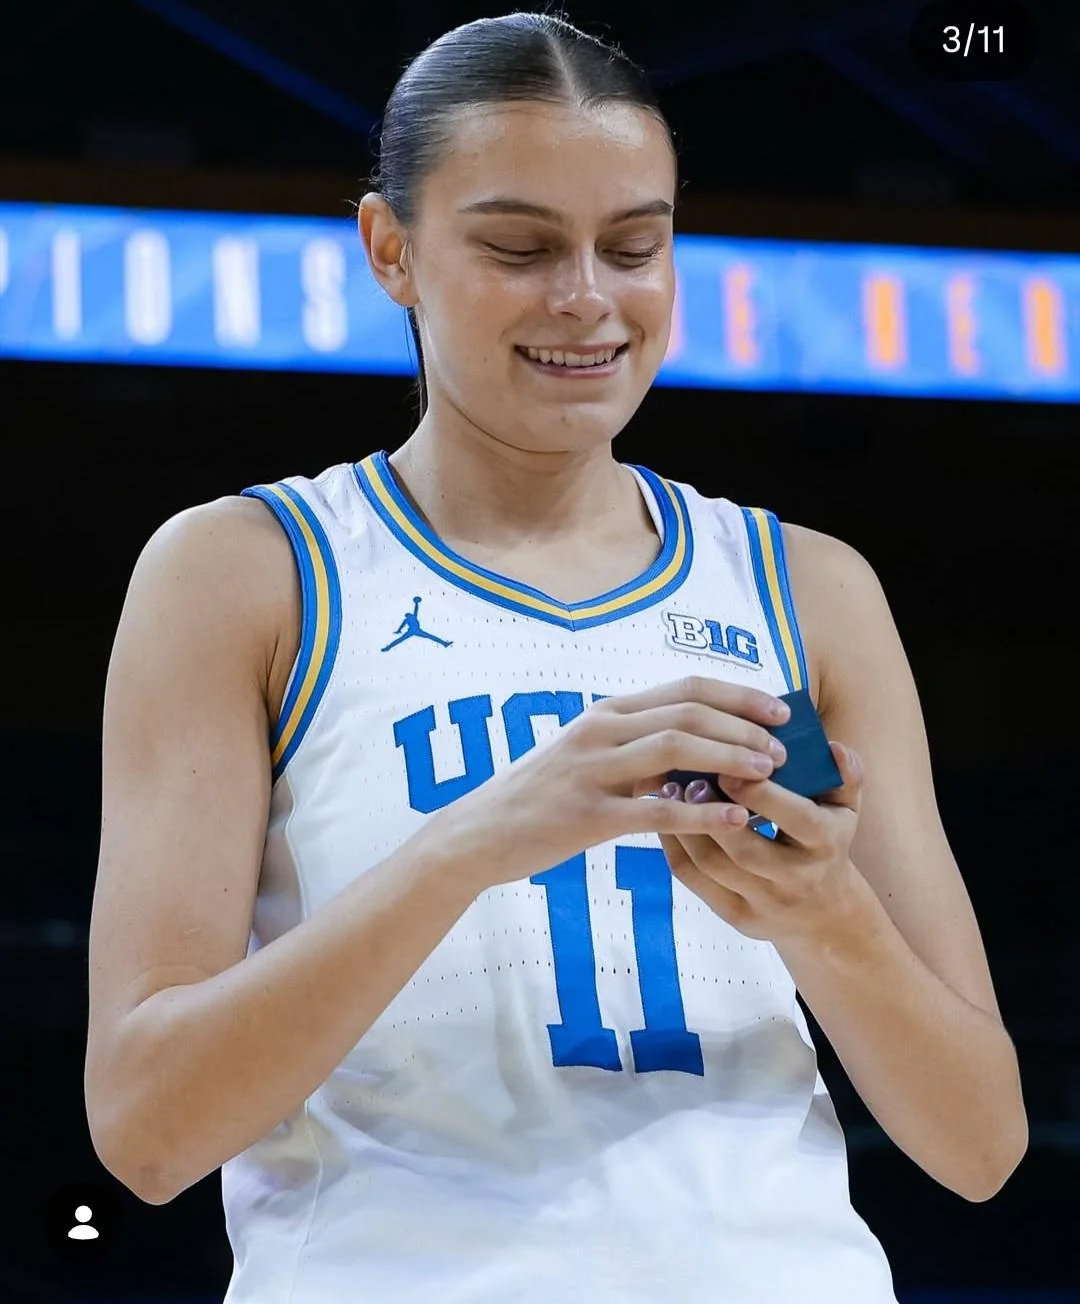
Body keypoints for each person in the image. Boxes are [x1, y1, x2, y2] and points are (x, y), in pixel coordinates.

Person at [84, 11, 1027, 1303]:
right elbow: (145, 1132)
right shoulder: (249, 570)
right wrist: (478, 842)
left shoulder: (806, 589)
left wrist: (828, 918)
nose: (587, 298)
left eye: (635, 247)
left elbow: (981, 1147)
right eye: (520, 248)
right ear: (390, 249)